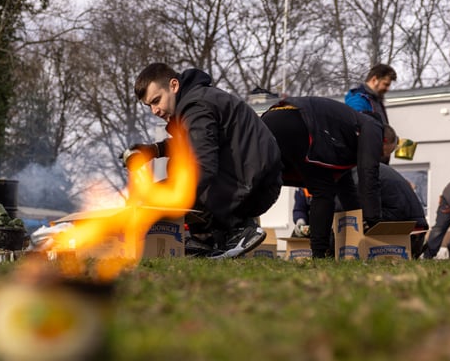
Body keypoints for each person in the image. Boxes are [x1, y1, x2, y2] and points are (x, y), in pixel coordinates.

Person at [125, 63, 283, 258]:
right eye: (149, 105)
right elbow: (195, 141)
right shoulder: (196, 100)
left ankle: (240, 229)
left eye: (156, 101)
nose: (154, 110)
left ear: (174, 86)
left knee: (181, 174)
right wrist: (155, 150)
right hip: (254, 177)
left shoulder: (196, 107)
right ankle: (211, 239)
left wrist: (164, 198)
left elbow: (204, 165)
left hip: (255, 185)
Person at [260, 98, 394, 258]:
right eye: (385, 153)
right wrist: (374, 223)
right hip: (295, 122)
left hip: (269, 120)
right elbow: (368, 175)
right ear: (383, 140)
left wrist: (358, 218)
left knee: (261, 182)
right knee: (323, 191)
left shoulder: (347, 132)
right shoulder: (373, 128)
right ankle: (319, 254)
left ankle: (233, 232)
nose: (381, 158)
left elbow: (346, 186)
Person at [352, 163, 429, 256]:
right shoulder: (373, 169)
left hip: (403, 234)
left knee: (354, 221)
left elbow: (344, 211)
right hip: (415, 232)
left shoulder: (358, 176)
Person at [345, 64, 397, 164]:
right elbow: (355, 128)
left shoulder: (376, 101)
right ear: (374, 80)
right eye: (386, 84)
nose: (388, 89)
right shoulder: (358, 100)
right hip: (367, 161)